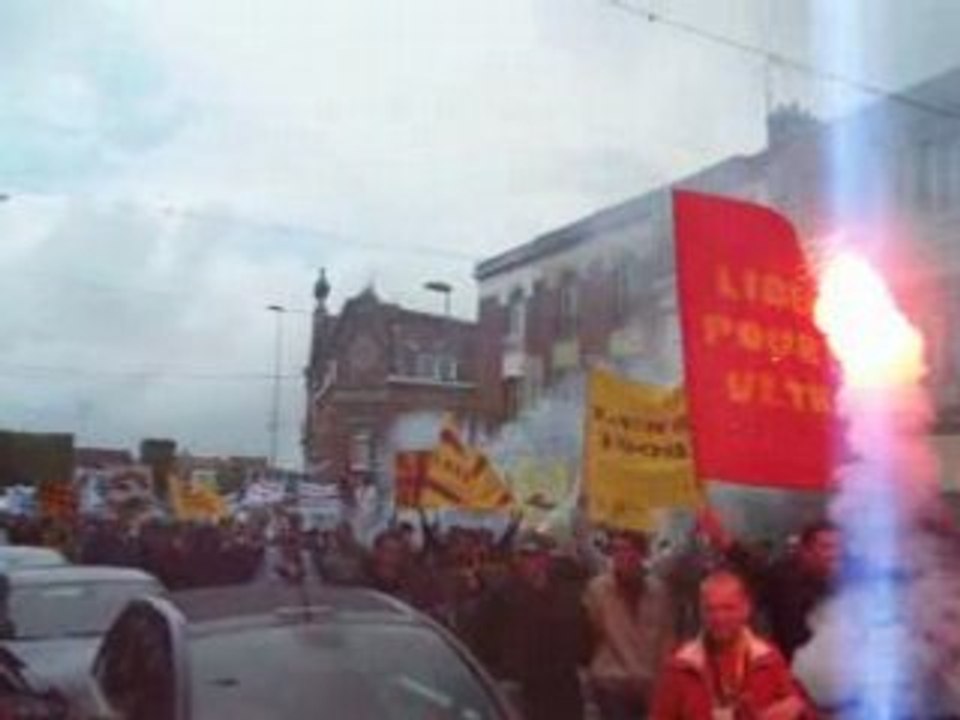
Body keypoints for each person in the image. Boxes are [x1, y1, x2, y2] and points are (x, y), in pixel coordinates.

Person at [651, 571, 814, 720]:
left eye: (728, 608)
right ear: (700, 612)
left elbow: (800, 709)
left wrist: (794, 710)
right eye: (710, 609)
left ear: (746, 609)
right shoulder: (680, 665)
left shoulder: (768, 658)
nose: (719, 618)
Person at [698, 510, 841, 663]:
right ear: (805, 550)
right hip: (790, 670)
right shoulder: (784, 578)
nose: (832, 554)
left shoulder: (850, 583)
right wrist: (723, 540)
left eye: (837, 547)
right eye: (825, 547)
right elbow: (752, 565)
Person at [474, 531, 589, 720]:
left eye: (532, 555)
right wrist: (502, 671)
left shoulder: (565, 593)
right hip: (522, 687)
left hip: (563, 687)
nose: (526, 561)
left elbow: (582, 633)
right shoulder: (501, 595)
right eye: (522, 555)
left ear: (546, 558)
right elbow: (482, 637)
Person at [583, 530, 677, 720]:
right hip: (613, 681)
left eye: (627, 549)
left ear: (641, 554)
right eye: (616, 549)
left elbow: (666, 638)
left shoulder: (658, 591)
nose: (621, 555)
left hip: (649, 682)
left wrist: (667, 677)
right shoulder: (598, 589)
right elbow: (590, 632)